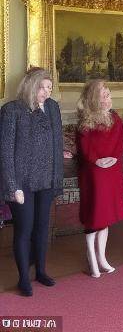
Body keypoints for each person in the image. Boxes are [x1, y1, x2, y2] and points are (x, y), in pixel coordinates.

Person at [0, 67, 69, 296]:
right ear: (31, 86)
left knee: (41, 229)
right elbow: (5, 151)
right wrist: (12, 187)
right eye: (42, 87)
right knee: (24, 230)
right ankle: (23, 278)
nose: (46, 92)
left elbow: (57, 145)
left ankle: (40, 270)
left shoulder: (52, 108)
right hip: (22, 183)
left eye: (50, 88)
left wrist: (56, 179)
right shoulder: (12, 110)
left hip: (46, 181)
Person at [77, 79, 123, 277]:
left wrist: (114, 159)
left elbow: (120, 142)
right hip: (93, 172)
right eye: (105, 95)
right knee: (95, 214)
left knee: (106, 216)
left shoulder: (115, 118)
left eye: (109, 95)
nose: (109, 98)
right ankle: (92, 259)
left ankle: (102, 258)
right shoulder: (85, 120)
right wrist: (96, 161)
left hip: (112, 171)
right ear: (95, 99)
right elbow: (84, 147)